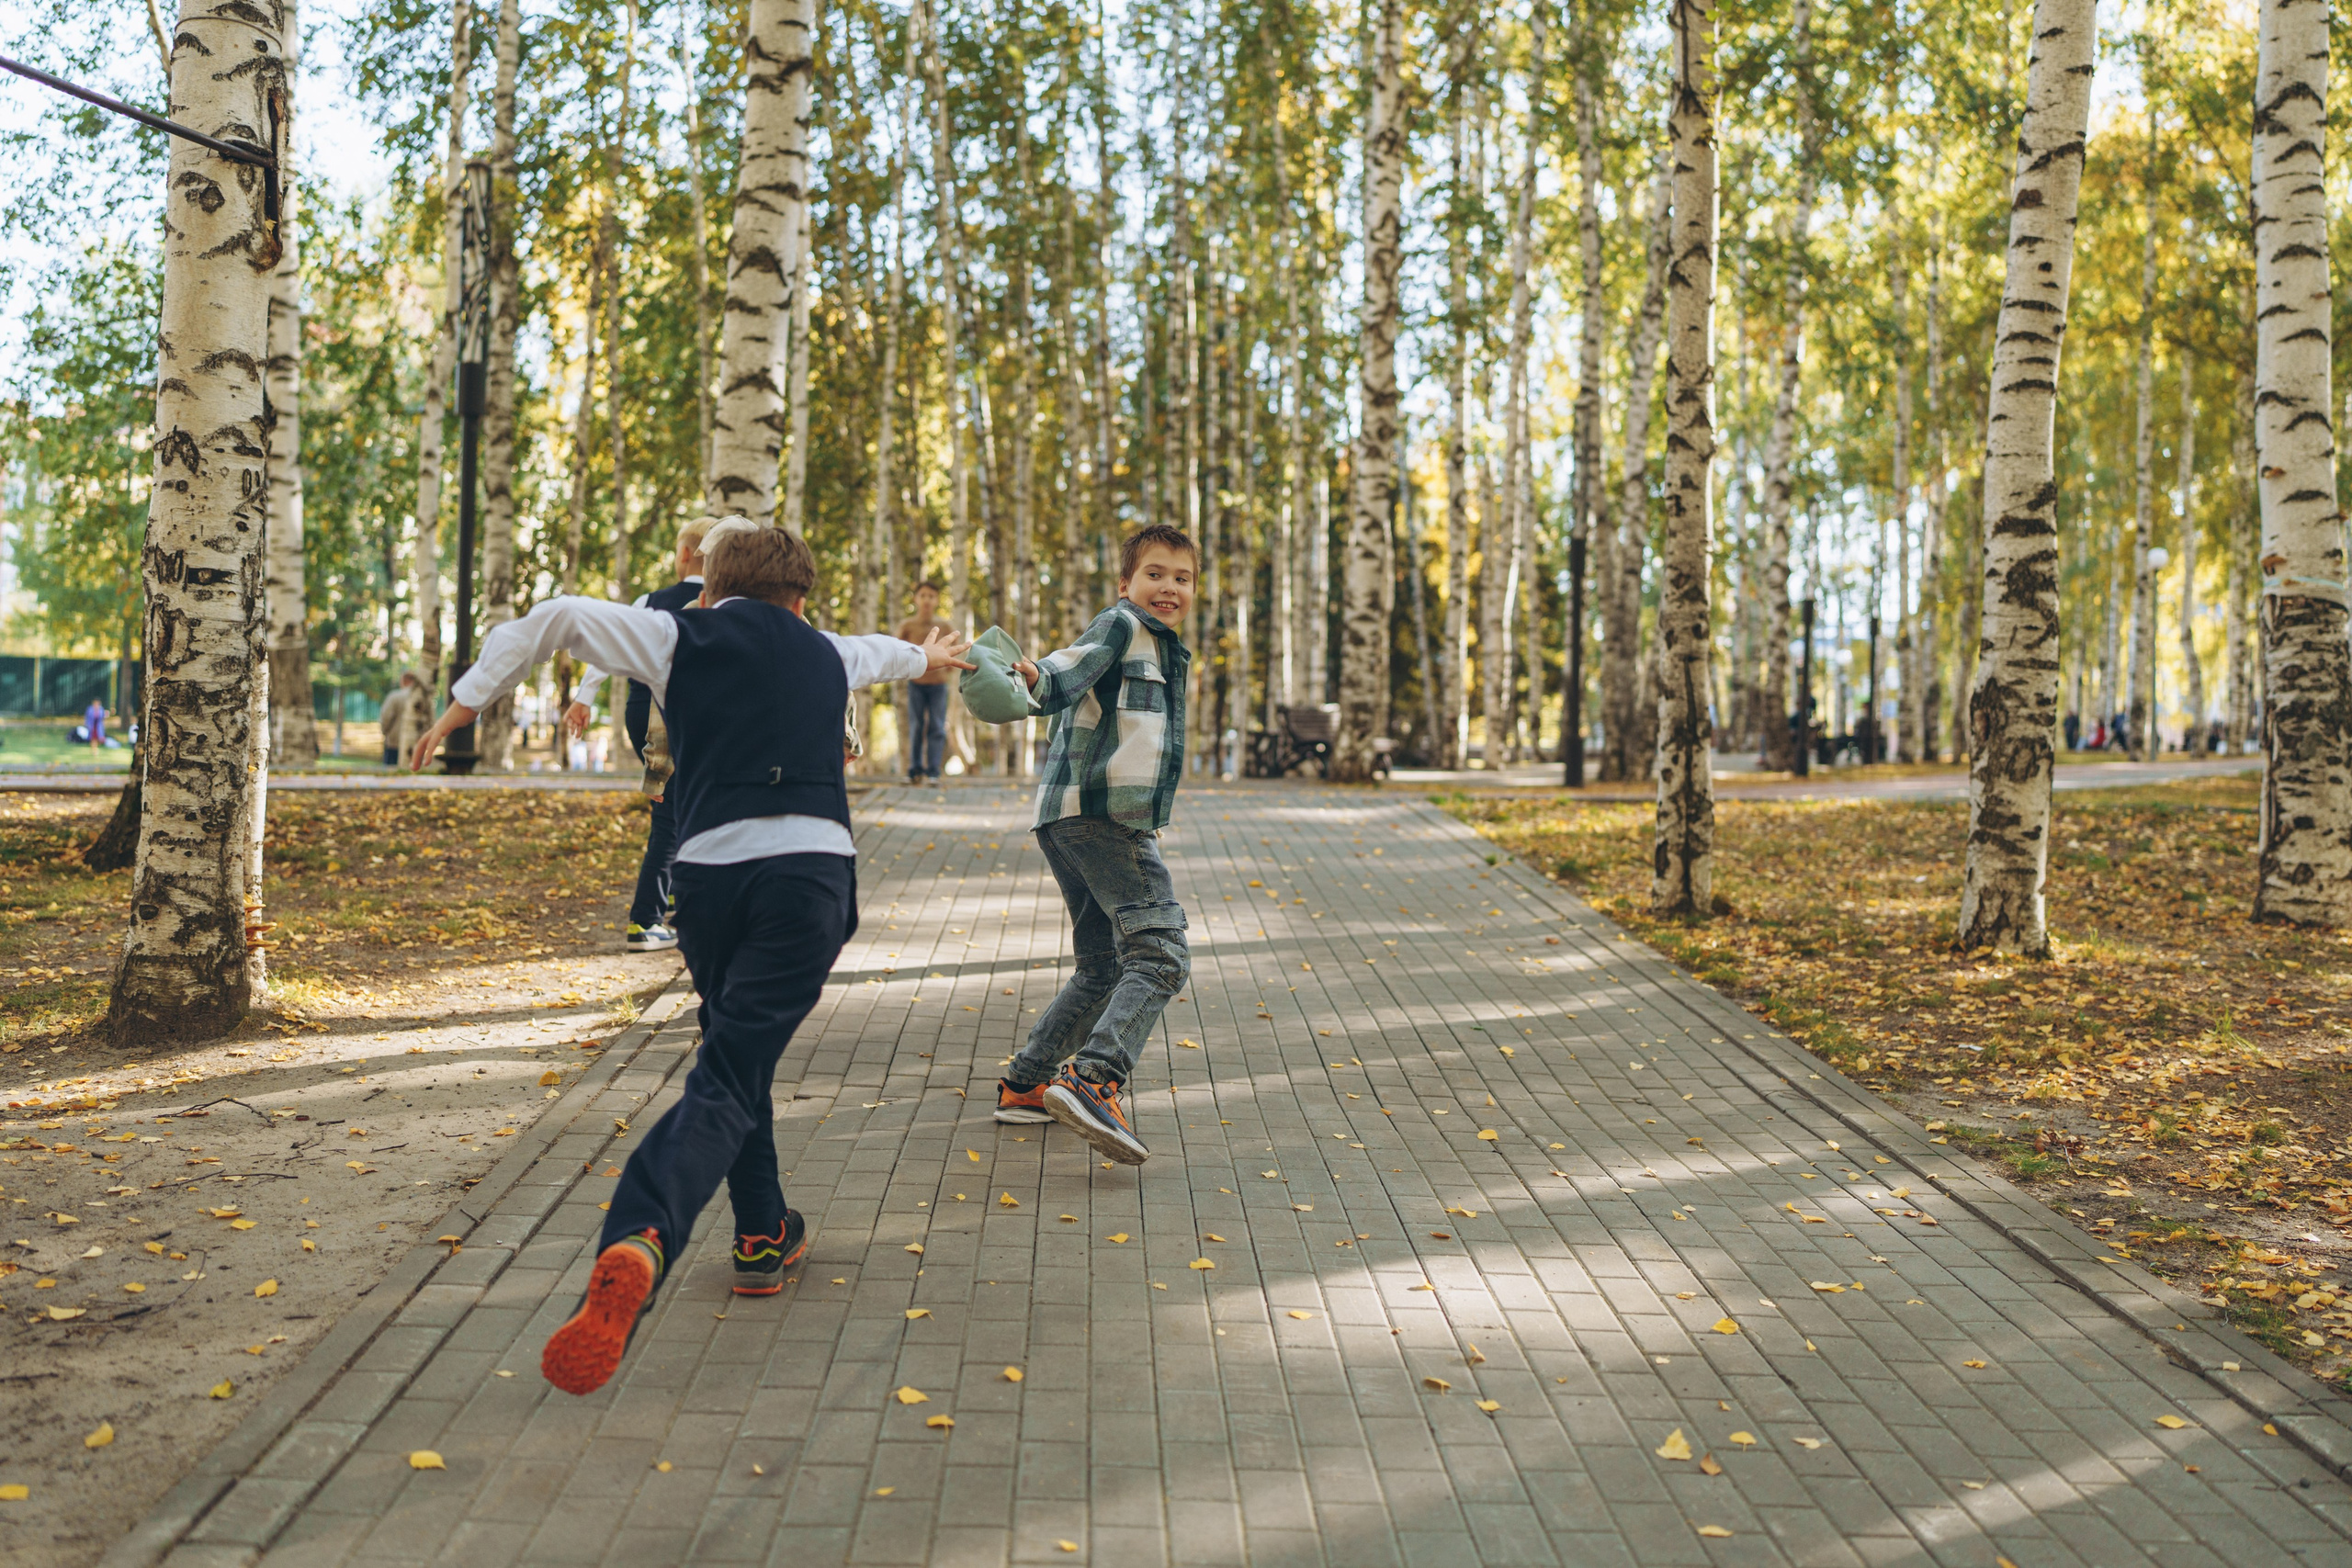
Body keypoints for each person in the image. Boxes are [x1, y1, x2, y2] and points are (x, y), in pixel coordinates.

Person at [410, 523, 970, 1396]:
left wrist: (468, 700)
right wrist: (929, 654)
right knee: (731, 1068)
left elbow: (554, 615)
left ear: (710, 591)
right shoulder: (826, 649)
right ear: (800, 599)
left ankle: (760, 1233)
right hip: (807, 880)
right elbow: (895, 656)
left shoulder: (679, 632)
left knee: (728, 1055)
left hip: (709, 882)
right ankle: (643, 1229)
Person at [989, 524, 1197, 1167]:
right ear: (1127, 585)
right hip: (1104, 815)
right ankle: (1094, 1078)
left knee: (1105, 965)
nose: (1168, 587)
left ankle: (1027, 1083)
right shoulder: (1120, 626)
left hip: (1069, 817)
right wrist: (1034, 676)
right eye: (1155, 573)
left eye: (1182, 577)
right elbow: (1065, 668)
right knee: (1160, 952)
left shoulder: (1159, 646)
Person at [569, 519, 717, 952]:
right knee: (676, 811)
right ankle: (645, 919)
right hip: (694, 715)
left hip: (643, 714)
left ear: (685, 554)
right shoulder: (725, 604)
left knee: (675, 803)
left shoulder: (650, 601)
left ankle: (670, 893)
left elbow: (610, 644)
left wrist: (584, 698)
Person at [897, 581, 954, 783]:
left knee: (937, 726)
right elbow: (899, 651)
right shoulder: (907, 625)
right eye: (923, 595)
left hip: (939, 686)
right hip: (916, 685)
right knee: (917, 725)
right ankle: (914, 770)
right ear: (916, 599)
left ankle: (933, 772)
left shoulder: (944, 626)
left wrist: (945, 671)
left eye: (931, 596)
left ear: (937, 600)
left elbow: (953, 654)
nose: (927, 599)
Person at [379, 672, 427, 767]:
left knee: (391, 774)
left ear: (404, 681)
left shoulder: (394, 697)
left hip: (394, 743)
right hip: (417, 744)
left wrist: (385, 732)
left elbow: (385, 718)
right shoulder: (423, 699)